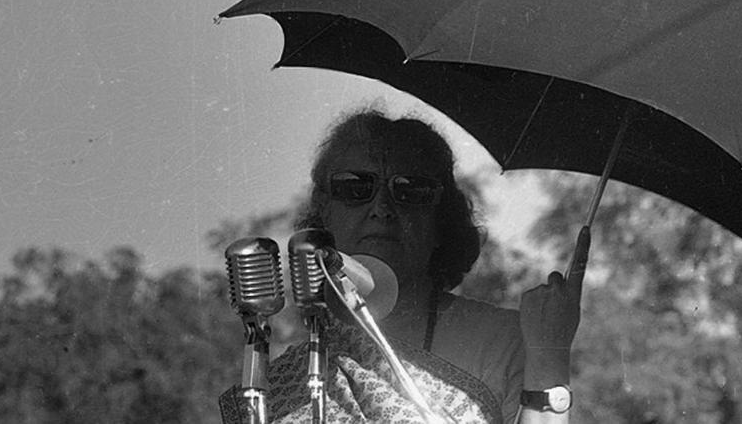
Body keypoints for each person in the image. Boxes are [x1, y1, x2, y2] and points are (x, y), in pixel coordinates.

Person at [245, 108, 585, 423]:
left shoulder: (503, 342)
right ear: (324, 213)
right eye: (355, 187)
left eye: (410, 190)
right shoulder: (279, 381)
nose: (381, 207)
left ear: (441, 221)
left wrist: (548, 357)